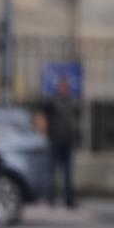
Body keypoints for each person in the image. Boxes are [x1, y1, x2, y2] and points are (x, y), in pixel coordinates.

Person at [43, 72, 80, 208]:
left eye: (66, 86)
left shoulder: (71, 100)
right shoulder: (52, 101)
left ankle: (69, 199)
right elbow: (42, 116)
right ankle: (51, 198)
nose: (64, 88)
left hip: (68, 141)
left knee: (68, 173)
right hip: (55, 140)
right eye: (62, 85)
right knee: (52, 172)